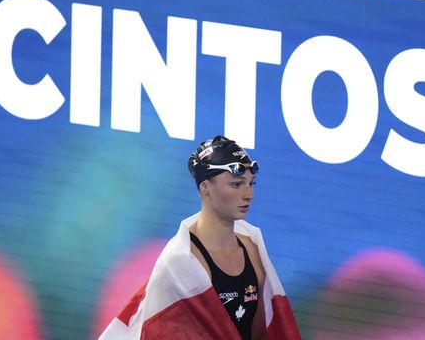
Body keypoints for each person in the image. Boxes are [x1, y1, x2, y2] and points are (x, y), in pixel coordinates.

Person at [98, 136, 300, 340]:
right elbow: (156, 332)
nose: (248, 194)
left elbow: (262, 332)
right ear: (205, 188)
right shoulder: (180, 261)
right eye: (237, 184)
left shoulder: (252, 247)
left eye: (251, 184)